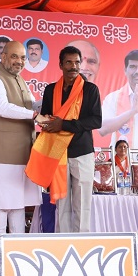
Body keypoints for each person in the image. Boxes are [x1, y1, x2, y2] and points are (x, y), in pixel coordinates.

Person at [26, 45, 102, 233]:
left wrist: (64, 125)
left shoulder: (90, 89)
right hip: (57, 154)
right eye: (69, 62)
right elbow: (47, 117)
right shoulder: (52, 90)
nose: (73, 66)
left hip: (81, 153)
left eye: (77, 62)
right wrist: (41, 121)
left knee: (82, 203)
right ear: (60, 64)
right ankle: (64, 245)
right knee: (62, 205)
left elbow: (95, 120)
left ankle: (82, 246)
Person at [0, 41, 46, 234]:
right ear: (3, 56)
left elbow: (31, 105)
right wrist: (33, 115)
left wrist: (52, 100)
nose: (19, 61)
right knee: (1, 204)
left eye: (23, 57)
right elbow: (1, 107)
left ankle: (17, 250)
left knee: (18, 205)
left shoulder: (21, 80)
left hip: (22, 152)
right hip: (2, 153)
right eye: (14, 56)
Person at [99, 49, 138, 151]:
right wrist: (132, 112)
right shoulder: (113, 98)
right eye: (133, 67)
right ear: (125, 70)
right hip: (123, 162)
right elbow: (102, 129)